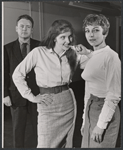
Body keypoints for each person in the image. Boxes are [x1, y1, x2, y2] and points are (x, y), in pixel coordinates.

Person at [12, 19, 92, 148]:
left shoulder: (74, 53)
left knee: (67, 143)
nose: (68, 40)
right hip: (47, 103)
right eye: (63, 37)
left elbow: (98, 64)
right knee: (45, 144)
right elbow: (17, 74)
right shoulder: (39, 52)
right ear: (54, 38)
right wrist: (31, 97)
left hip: (68, 102)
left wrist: (87, 53)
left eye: (70, 36)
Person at [80, 14, 121, 148]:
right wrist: (84, 121)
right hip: (91, 107)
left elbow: (114, 95)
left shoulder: (111, 57)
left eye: (96, 30)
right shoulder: (90, 55)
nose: (91, 35)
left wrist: (100, 126)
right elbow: (88, 90)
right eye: (87, 30)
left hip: (105, 111)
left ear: (105, 33)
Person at [4, 14, 40, 148]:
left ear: (32, 30)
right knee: (18, 129)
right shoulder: (7, 48)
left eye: (28, 27)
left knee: (39, 128)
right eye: (22, 26)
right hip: (16, 95)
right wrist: (4, 94)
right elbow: (4, 74)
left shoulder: (39, 46)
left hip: (37, 94)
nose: (24, 29)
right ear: (16, 28)